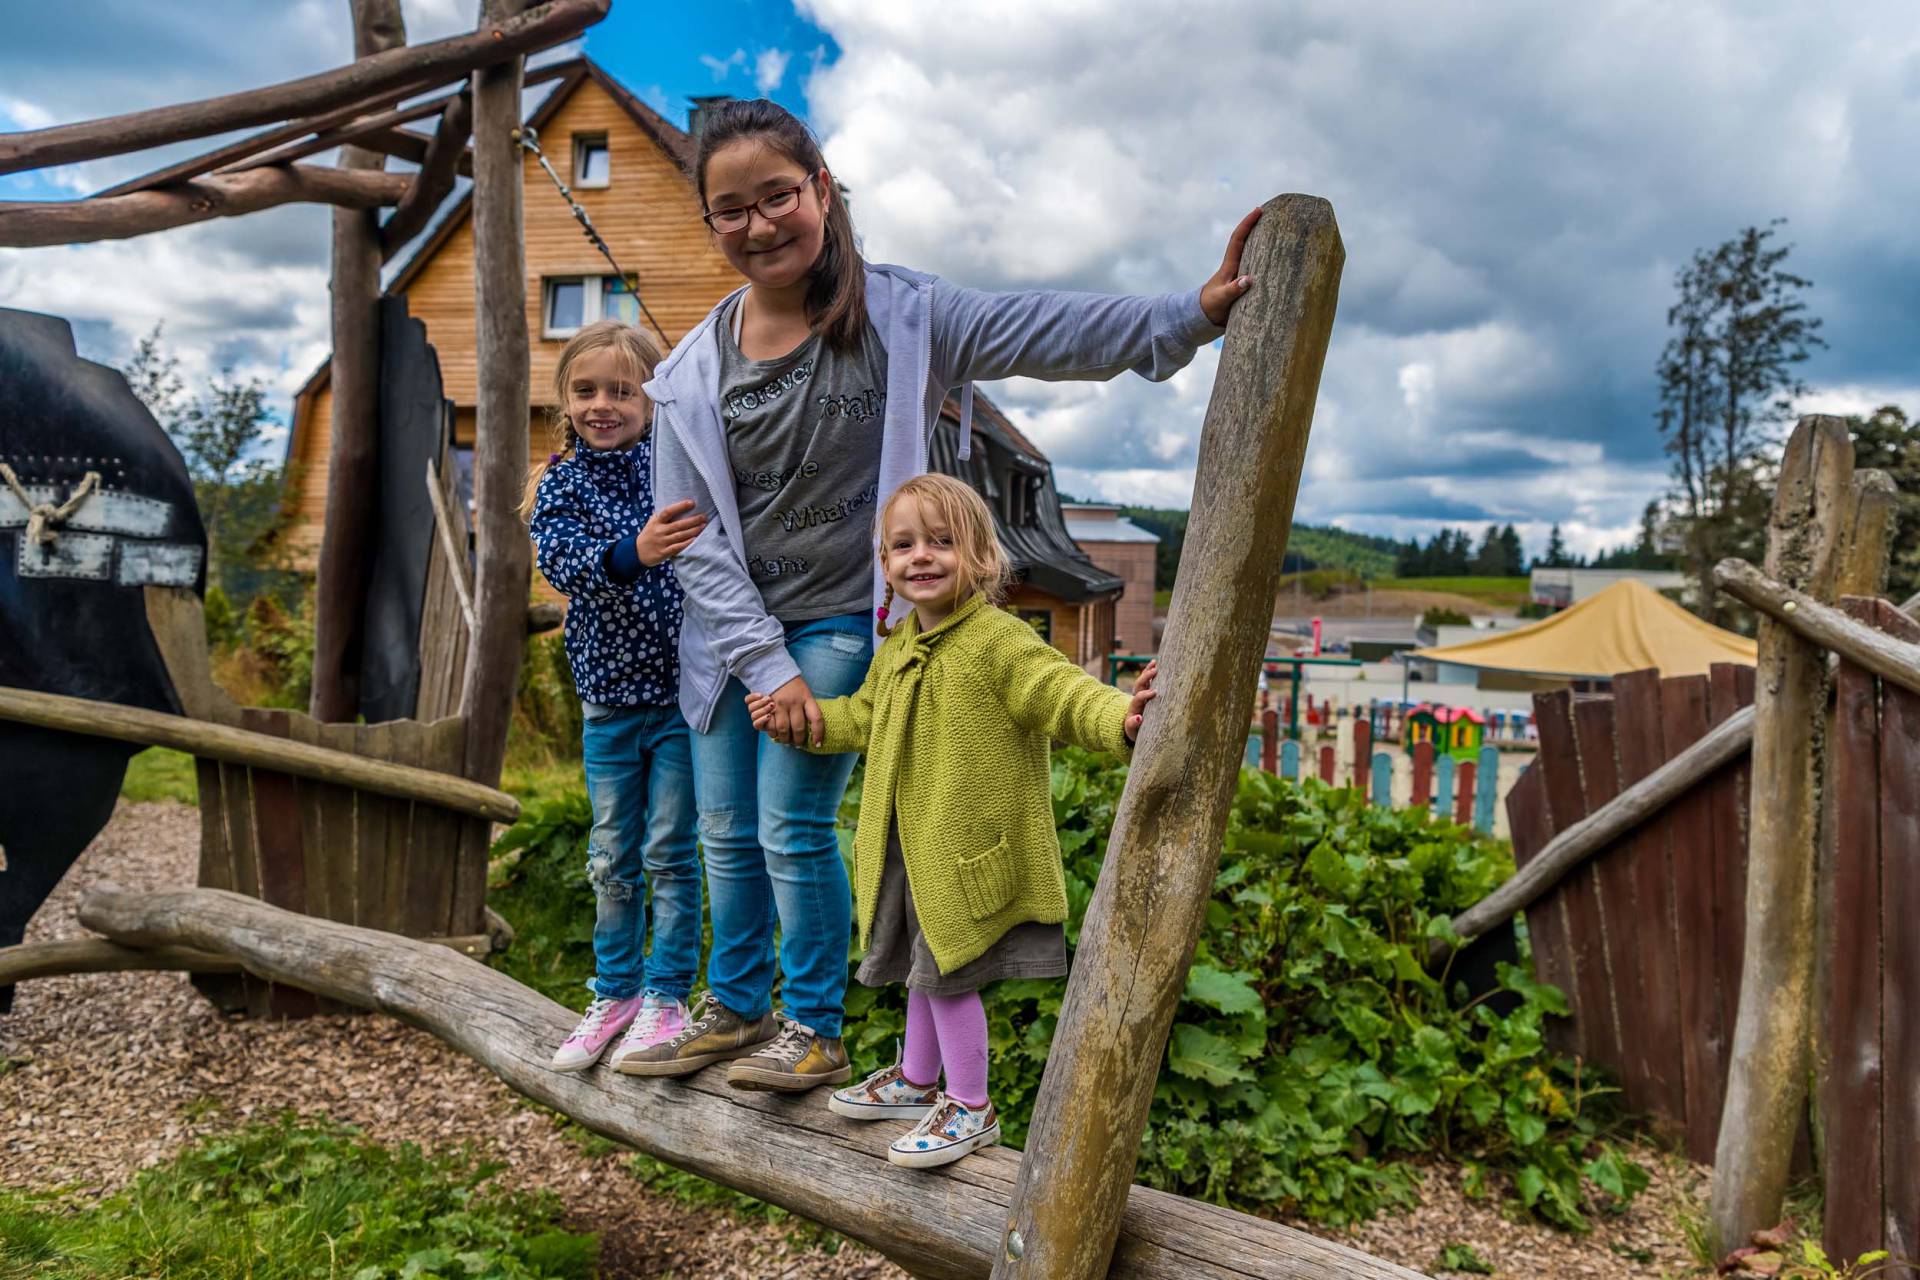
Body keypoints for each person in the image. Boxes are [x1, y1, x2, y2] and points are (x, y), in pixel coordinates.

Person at [633, 95, 1254, 1091]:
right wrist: (757, 657)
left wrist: (1187, 314)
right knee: (723, 831)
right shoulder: (684, 375)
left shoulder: (904, 318)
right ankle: (735, 1005)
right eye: (730, 210)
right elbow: (692, 540)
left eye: (778, 197)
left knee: (791, 821)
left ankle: (813, 1023)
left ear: (822, 192)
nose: (758, 225)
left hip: (846, 618)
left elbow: (1044, 327)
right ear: (710, 222)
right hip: (731, 633)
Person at [746, 474, 1158, 1166]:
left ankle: (971, 1106)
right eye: (904, 545)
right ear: (885, 565)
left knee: (948, 978)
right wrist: (805, 724)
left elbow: (1060, 692)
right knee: (921, 969)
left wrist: (1120, 716)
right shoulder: (901, 645)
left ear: (983, 559)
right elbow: (867, 718)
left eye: (943, 542)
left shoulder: (998, 638)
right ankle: (916, 1081)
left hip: (965, 855)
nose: (922, 556)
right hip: (908, 849)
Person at [525, 320, 711, 1074]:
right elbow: (566, 566)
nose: (603, 404)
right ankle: (616, 992)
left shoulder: (677, 468)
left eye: (622, 390)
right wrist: (636, 552)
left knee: (670, 850)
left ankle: (668, 996)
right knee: (611, 853)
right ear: (565, 403)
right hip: (607, 699)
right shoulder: (560, 482)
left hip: (678, 697)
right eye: (586, 390)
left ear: (653, 398)